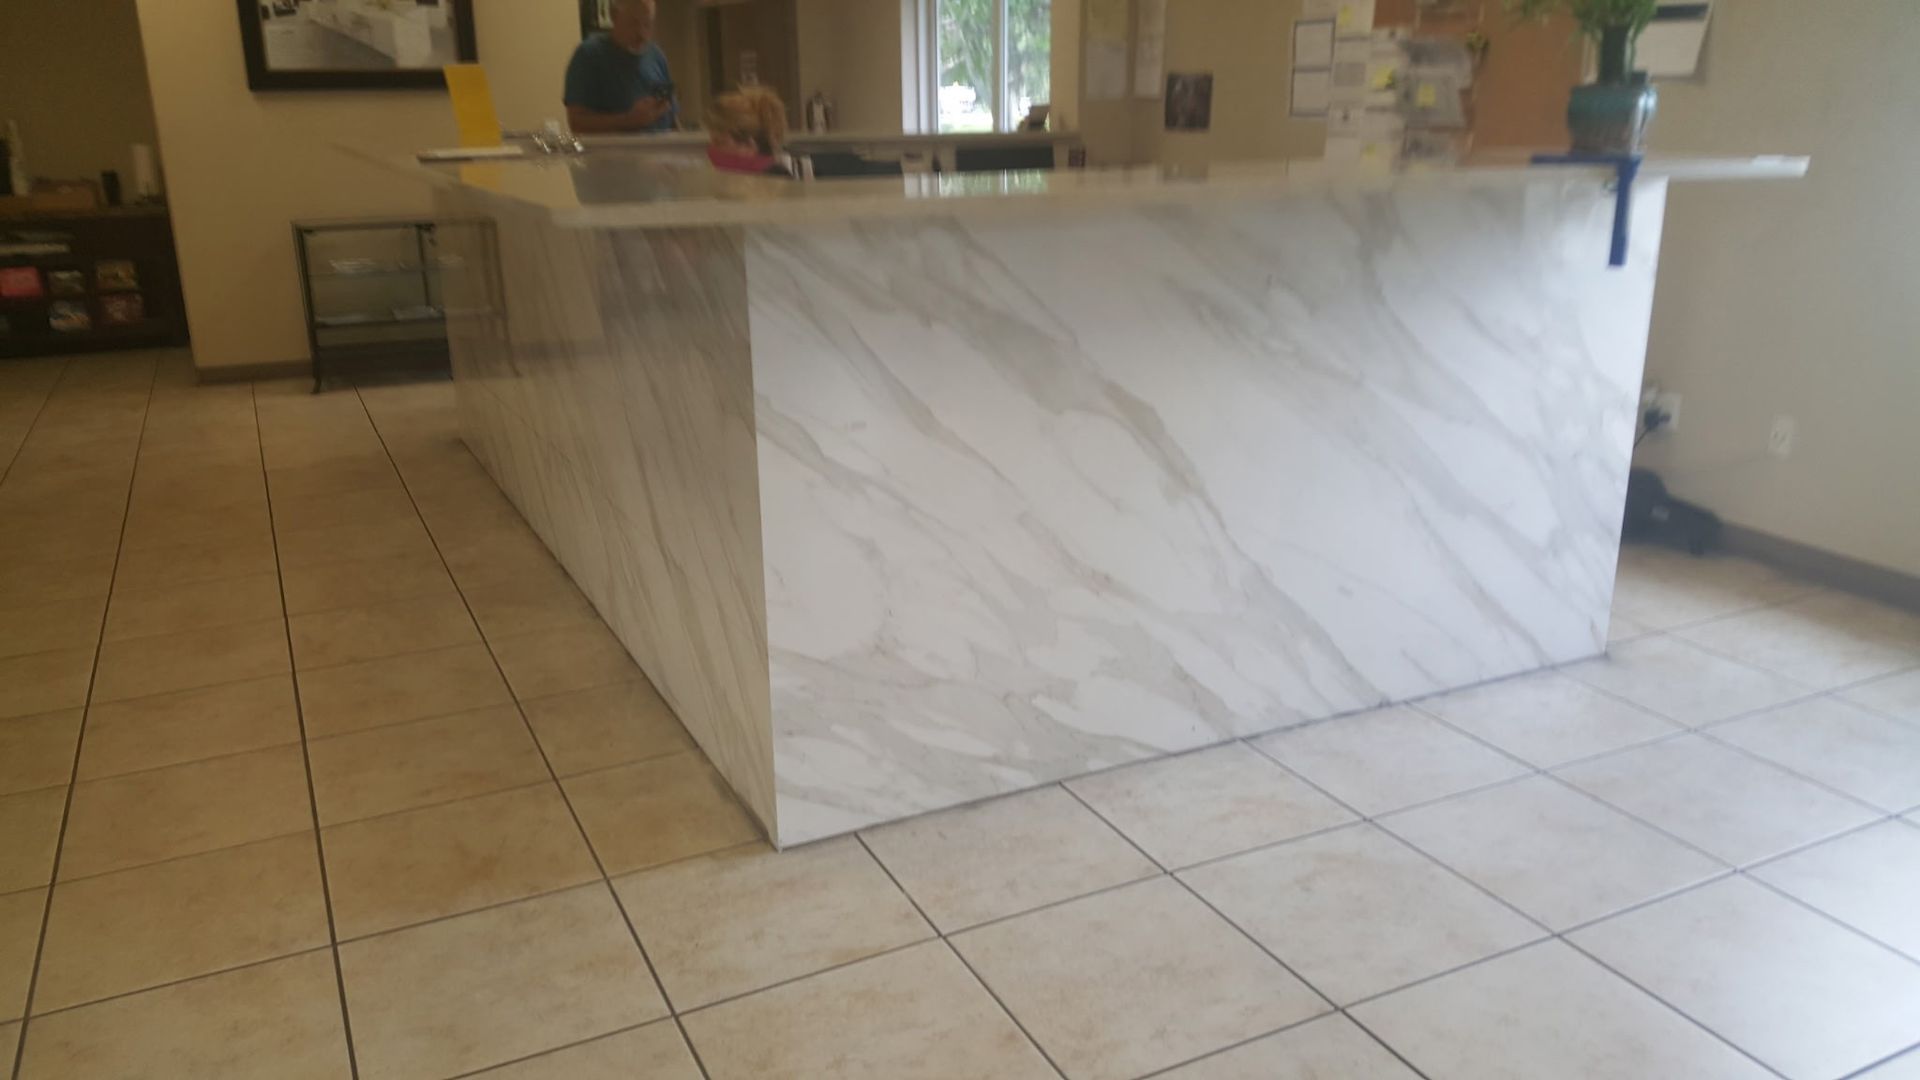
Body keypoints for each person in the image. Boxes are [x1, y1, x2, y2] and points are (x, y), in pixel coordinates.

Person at [563, 0, 677, 134]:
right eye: (633, 23)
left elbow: (672, 118)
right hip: (612, 148)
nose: (641, 34)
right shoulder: (589, 55)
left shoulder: (657, 56)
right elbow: (577, 124)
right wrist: (629, 120)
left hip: (662, 146)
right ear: (613, 16)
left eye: (647, 24)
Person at [705, 86, 793, 177]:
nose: (712, 148)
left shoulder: (776, 179)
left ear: (749, 145)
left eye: (720, 142)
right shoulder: (726, 178)